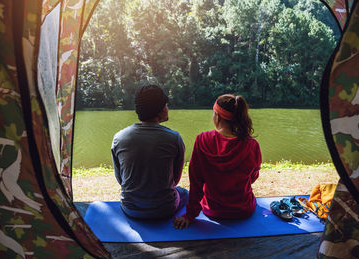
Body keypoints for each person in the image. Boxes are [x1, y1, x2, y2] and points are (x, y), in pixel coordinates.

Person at [174, 94, 262, 229]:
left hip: (212, 210)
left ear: (218, 116)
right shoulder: (252, 145)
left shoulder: (202, 140)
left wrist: (190, 215)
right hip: (243, 210)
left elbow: (196, 181)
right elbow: (253, 177)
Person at [111, 85, 188, 219]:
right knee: (184, 193)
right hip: (164, 209)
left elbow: (121, 179)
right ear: (160, 109)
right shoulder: (174, 138)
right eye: (166, 105)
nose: (167, 109)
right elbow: (174, 181)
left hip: (130, 209)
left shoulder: (119, 137)